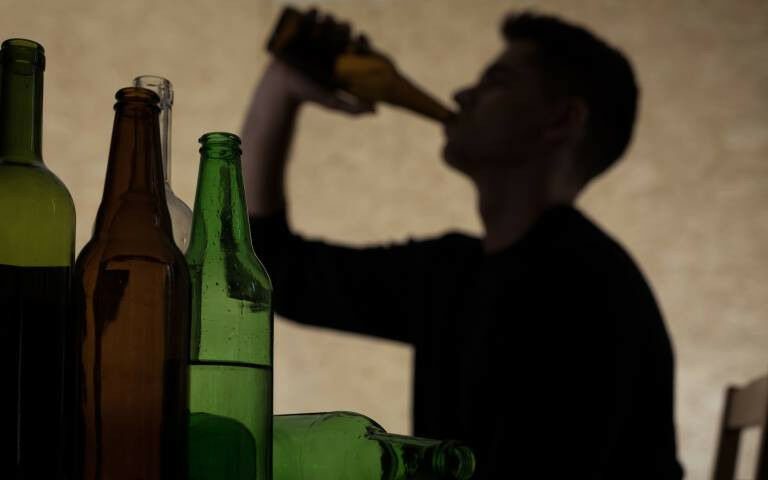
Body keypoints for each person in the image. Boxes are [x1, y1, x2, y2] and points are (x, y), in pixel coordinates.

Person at [242, 11, 684, 479]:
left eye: (497, 81)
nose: (460, 94)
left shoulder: (583, 289)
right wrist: (282, 86)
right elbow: (273, 270)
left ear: (561, 120)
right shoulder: (454, 272)